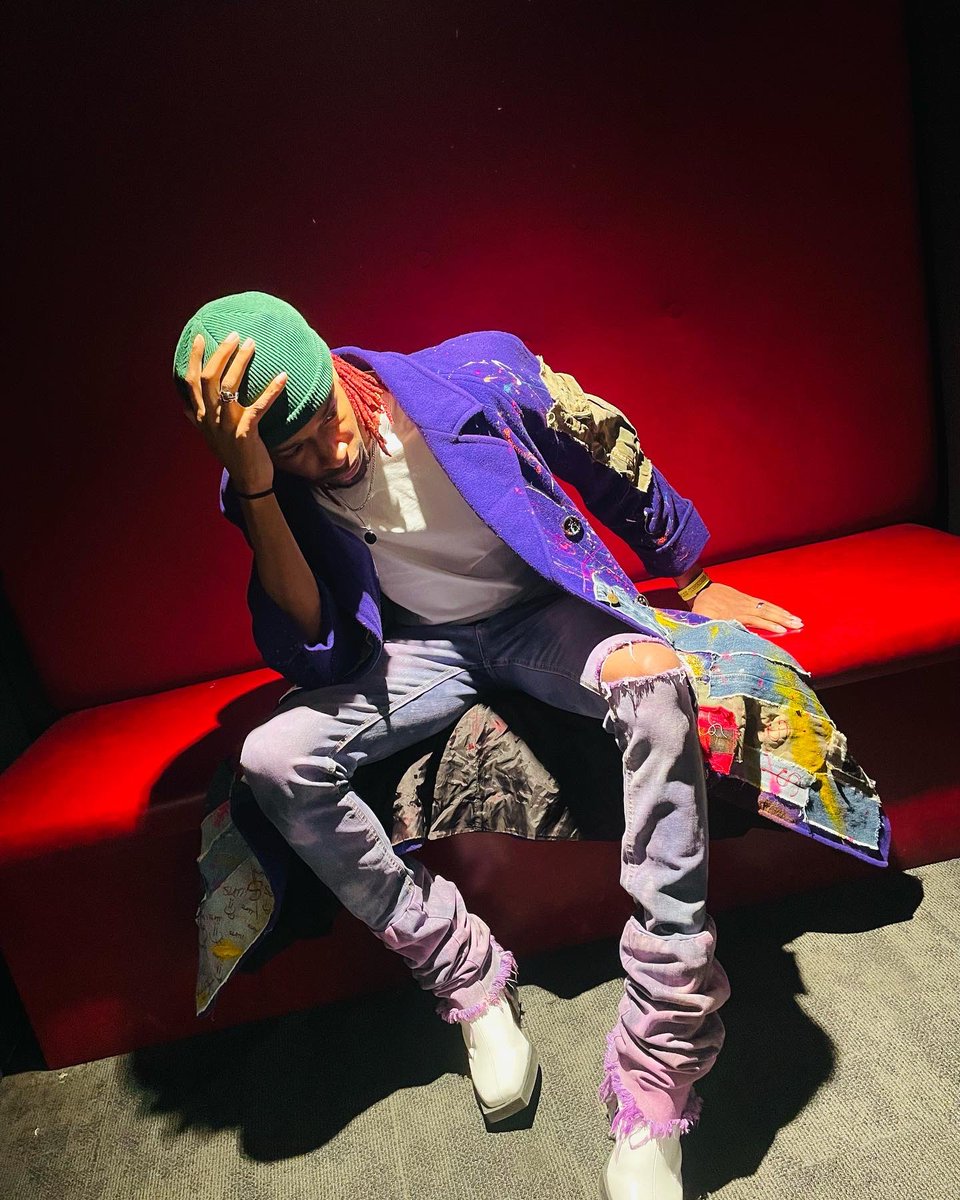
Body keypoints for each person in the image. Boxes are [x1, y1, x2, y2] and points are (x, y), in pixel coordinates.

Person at [172, 291, 889, 1200]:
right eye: (296, 455)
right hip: (421, 651)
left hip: (544, 616)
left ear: (334, 367)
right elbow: (311, 642)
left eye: (324, 423)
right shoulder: (263, 481)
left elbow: (605, 443)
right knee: (272, 759)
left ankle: (661, 1056)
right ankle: (463, 975)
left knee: (655, 682)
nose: (329, 455)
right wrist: (258, 488)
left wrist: (690, 572)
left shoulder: (479, 373)